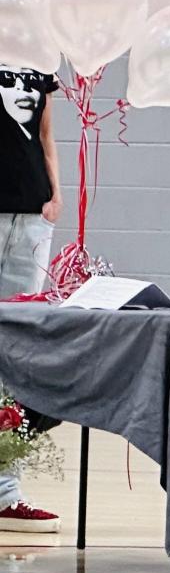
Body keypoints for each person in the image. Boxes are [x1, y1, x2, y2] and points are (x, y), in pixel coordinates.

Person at [0, 64, 62, 533]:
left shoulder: (42, 60)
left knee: (18, 350)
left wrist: (56, 192)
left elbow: (45, 134)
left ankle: (7, 492)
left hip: (32, 217)